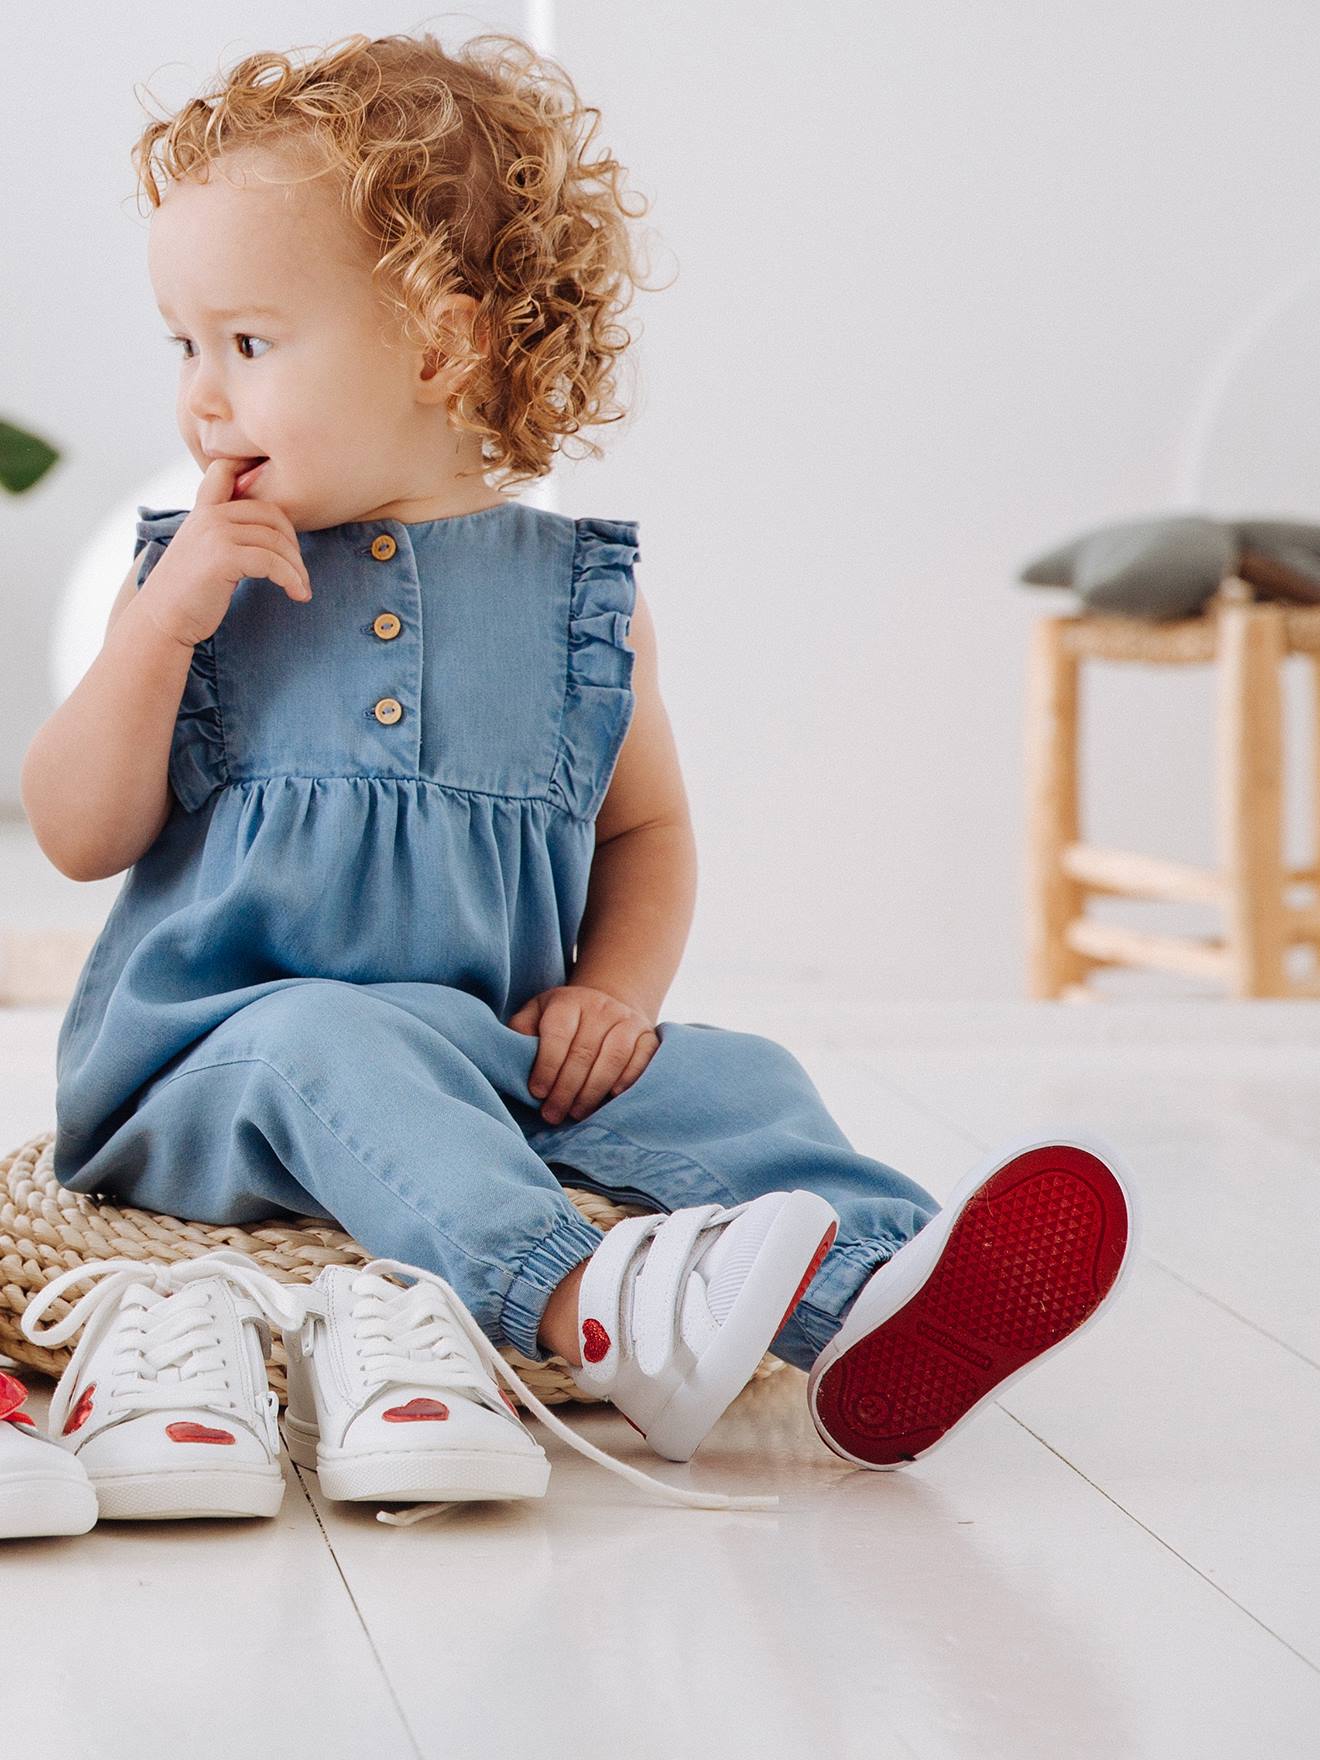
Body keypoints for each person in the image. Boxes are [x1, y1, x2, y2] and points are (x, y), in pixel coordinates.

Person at [21, 31, 1136, 1502]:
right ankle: (581, 1297)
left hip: (486, 1061)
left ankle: (876, 1295)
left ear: (441, 346)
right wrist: (161, 635)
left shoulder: (576, 607)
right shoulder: (187, 588)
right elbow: (77, 832)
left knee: (739, 1076)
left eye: (249, 342)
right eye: (186, 345)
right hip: (216, 1067)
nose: (203, 400)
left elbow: (650, 831)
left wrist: (611, 996)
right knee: (327, 1040)